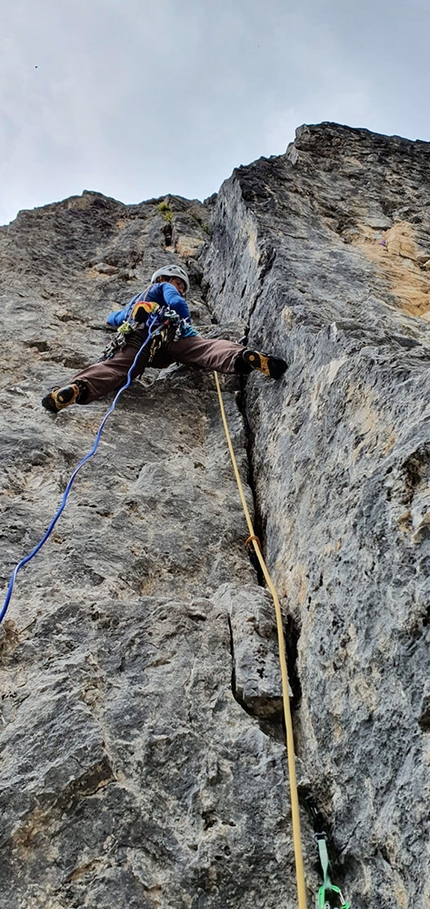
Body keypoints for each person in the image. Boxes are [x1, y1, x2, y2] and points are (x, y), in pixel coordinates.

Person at [41, 264, 288, 414]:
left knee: (119, 367)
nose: (179, 287)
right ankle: (242, 357)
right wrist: (185, 323)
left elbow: (112, 318)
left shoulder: (131, 303)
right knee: (202, 348)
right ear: (162, 279)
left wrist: (128, 315)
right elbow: (177, 303)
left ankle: (78, 388)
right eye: (177, 282)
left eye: (182, 285)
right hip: (167, 334)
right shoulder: (161, 288)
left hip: (136, 339)